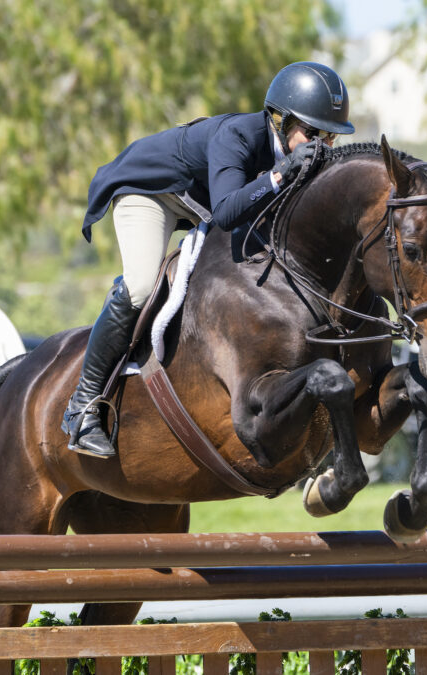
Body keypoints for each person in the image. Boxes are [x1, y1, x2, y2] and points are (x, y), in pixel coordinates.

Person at [61, 61, 356, 459]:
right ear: (280, 120)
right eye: (312, 132)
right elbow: (226, 214)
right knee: (142, 285)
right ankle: (81, 407)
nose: (320, 144)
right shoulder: (237, 136)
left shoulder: (292, 152)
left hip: (196, 203)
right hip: (151, 193)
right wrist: (277, 177)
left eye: (330, 137)